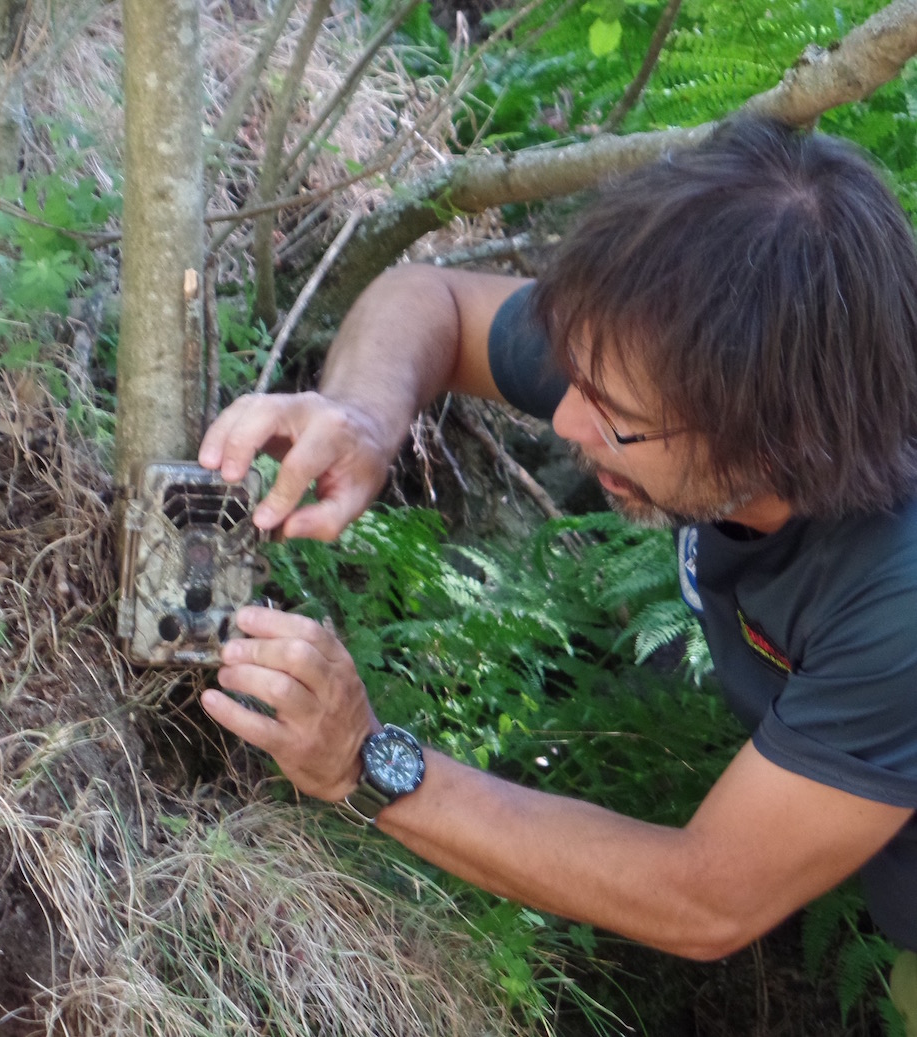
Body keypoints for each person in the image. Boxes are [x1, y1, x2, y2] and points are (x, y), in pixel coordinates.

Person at [195, 115, 917, 993]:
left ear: (779, 440)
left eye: (614, 416)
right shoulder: (686, 349)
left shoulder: (897, 592)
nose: (568, 421)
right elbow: (435, 300)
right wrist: (363, 417)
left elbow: (706, 897)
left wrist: (364, 757)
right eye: (573, 370)